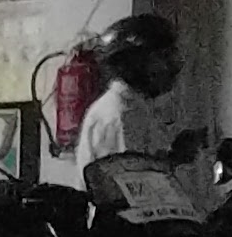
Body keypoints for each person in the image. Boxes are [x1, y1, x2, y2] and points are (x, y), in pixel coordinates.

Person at [73, 12, 199, 181]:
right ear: (135, 63)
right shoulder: (120, 115)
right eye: (163, 56)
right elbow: (133, 185)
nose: (174, 65)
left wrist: (175, 158)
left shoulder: (134, 107)